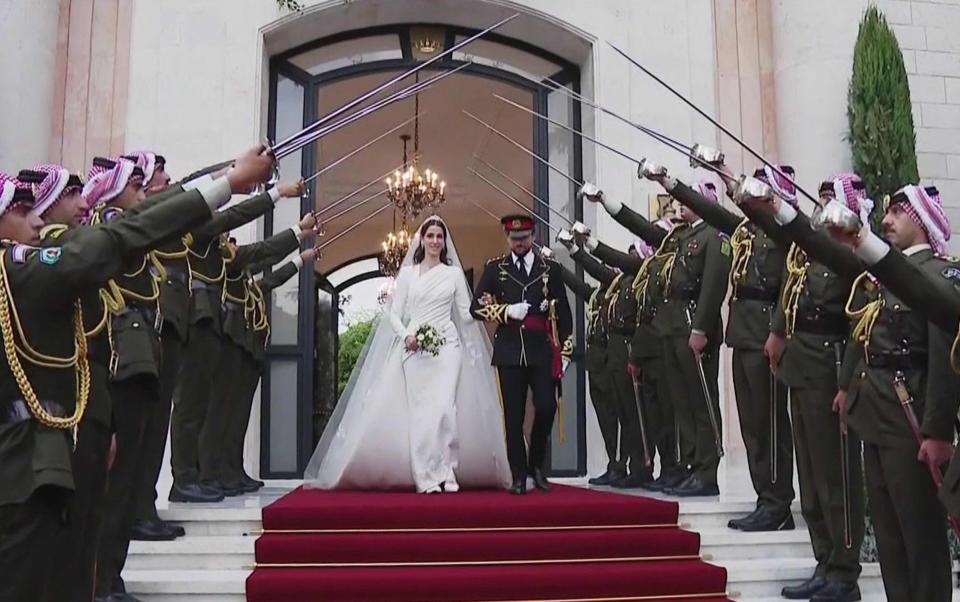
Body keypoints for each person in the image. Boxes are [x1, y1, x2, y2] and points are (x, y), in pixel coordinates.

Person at [0, 144, 275, 602]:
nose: (34, 221)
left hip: (68, 432)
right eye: (21, 209)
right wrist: (227, 182)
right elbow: (122, 236)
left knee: (77, 554)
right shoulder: (27, 265)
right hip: (30, 455)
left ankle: (106, 581)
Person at [759, 182, 957, 602]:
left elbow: (943, 357)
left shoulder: (940, 275)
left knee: (918, 534)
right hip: (876, 411)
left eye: (898, 214)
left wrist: (938, 431)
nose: (886, 220)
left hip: (911, 416)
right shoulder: (885, 274)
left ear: (921, 221)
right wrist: (783, 211)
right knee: (888, 536)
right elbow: (859, 327)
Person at [304, 215, 511, 492]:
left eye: (439, 236)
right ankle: (425, 474)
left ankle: (447, 470)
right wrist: (407, 337)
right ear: (422, 240)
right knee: (422, 413)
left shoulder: (452, 275)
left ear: (444, 241)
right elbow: (394, 313)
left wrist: (489, 308)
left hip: (448, 346)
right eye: (430, 236)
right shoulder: (409, 275)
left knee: (444, 410)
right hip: (414, 349)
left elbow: (465, 313)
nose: (435, 241)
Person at [640, 160, 795, 528]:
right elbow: (714, 209)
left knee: (770, 422)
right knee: (752, 424)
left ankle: (778, 502)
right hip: (743, 332)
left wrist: (778, 331)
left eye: (760, 192)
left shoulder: (788, 232)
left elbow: (790, 286)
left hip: (764, 331)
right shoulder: (745, 230)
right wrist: (670, 181)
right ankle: (765, 498)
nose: (750, 199)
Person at [469, 214, 574, 495]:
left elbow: (564, 313)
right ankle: (518, 475)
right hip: (509, 351)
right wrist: (505, 311)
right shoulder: (495, 269)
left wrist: (564, 350)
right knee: (512, 418)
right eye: (514, 239)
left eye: (524, 238)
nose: (519, 243)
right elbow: (475, 308)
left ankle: (536, 465)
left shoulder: (551, 269)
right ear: (507, 238)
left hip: (541, 349)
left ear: (534, 237)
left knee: (547, 406)